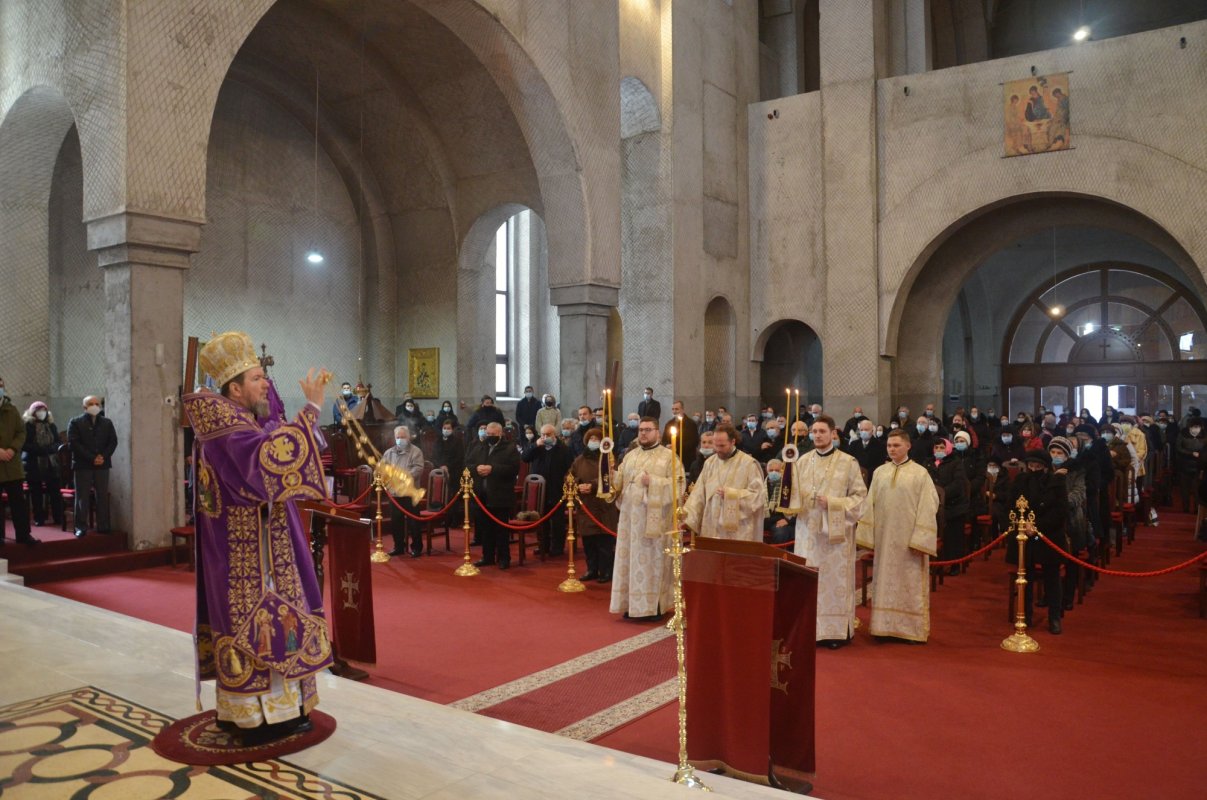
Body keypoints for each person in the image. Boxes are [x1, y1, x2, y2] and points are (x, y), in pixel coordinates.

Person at [182, 331, 333, 745]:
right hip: (249, 556)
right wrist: (313, 408)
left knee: (257, 627)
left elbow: (268, 447)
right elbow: (265, 465)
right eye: (255, 378)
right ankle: (271, 718)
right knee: (265, 627)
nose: (265, 382)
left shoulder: (226, 424)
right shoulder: (228, 428)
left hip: (238, 549)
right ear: (234, 388)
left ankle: (241, 713)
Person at [856, 429, 940, 643]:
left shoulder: (920, 473)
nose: (892, 449)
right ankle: (883, 627)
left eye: (897, 445)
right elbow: (870, 504)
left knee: (909, 582)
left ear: (908, 446)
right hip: (885, 538)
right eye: (889, 446)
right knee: (884, 581)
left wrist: (920, 538)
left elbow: (929, 506)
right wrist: (868, 535)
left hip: (909, 539)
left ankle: (911, 631)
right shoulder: (880, 472)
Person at [789, 415, 866, 647]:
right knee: (809, 580)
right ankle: (809, 630)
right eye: (814, 431)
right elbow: (791, 494)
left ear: (833, 433)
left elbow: (860, 498)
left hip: (834, 538)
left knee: (833, 582)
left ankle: (834, 633)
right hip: (807, 533)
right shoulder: (801, 462)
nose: (817, 435)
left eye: (822, 431)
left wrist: (833, 503)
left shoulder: (848, 462)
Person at [608, 416, 681, 621]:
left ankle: (653, 607)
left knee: (652, 563)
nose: (643, 433)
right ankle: (631, 605)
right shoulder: (630, 456)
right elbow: (618, 484)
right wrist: (609, 471)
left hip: (654, 525)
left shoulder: (669, 457)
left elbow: (678, 486)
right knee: (629, 561)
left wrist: (654, 483)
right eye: (641, 430)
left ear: (657, 432)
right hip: (630, 522)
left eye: (648, 430)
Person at [1009, 450, 1068, 635]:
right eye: (1031, 466)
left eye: (1038, 466)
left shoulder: (1055, 483)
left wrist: (1038, 527)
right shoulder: (1020, 481)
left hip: (1048, 534)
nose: (1034, 469)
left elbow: (1060, 511)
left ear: (1045, 466)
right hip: (1023, 534)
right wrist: (1023, 524)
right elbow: (1011, 506)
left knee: (1052, 577)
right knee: (1025, 575)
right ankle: (1025, 614)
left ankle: (1054, 617)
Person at [682, 423, 766, 542]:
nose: (718, 450)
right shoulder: (710, 463)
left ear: (733, 442)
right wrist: (687, 519)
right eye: (716, 445)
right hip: (711, 528)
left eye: (722, 445)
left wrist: (732, 494)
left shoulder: (748, 464)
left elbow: (758, 496)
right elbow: (698, 495)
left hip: (738, 531)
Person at [469, 421, 520, 569]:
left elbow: (513, 469)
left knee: (501, 529)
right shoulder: (479, 446)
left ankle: (504, 558)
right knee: (485, 529)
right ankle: (488, 556)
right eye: (488, 434)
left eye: (493, 434)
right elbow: (467, 464)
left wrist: (493, 469)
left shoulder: (510, 449)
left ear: (500, 434)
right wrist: (476, 468)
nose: (489, 436)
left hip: (500, 495)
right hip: (481, 494)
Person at [571, 427, 618, 582]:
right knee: (589, 542)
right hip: (586, 506)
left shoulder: (609, 459)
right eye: (590, 439)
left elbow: (610, 477)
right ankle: (592, 569)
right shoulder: (579, 460)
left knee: (604, 542)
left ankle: (606, 571)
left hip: (604, 506)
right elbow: (569, 476)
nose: (593, 442)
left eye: (596, 439)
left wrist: (591, 485)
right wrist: (578, 485)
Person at [67, 394, 118, 537]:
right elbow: (74, 443)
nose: (95, 406)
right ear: (84, 407)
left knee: (101, 495)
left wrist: (103, 456)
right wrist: (92, 458)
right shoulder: (75, 422)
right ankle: (80, 527)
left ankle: (103, 525)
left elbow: (113, 441)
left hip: (102, 464)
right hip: (83, 464)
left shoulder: (107, 422)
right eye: (91, 404)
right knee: (82, 496)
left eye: (97, 403)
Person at [523, 424, 573, 558]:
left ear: (554, 435)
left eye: (548, 435)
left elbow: (570, 467)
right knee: (541, 518)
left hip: (556, 487)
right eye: (543, 435)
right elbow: (525, 457)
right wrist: (534, 445)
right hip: (540, 490)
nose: (545, 437)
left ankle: (557, 547)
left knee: (557, 520)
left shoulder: (563, 449)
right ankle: (543, 545)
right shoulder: (537, 448)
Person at [0, 378, 38, 545]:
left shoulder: (12, 409)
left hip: (12, 463)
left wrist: (12, 449)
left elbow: (21, 432)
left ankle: (24, 535)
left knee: (19, 502)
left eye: (0, 385)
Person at [928, 437, 969, 577]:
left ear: (948, 448)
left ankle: (954, 564)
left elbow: (958, 484)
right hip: (932, 505)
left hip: (953, 505)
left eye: (941, 447)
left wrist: (942, 494)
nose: (939, 450)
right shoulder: (928, 463)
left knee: (953, 534)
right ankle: (934, 563)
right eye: (936, 447)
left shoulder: (956, 463)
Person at [382, 426, 425, 558]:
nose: (400, 440)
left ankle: (417, 547)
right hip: (395, 493)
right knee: (396, 521)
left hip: (410, 493)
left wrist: (403, 477)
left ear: (409, 437)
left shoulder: (416, 451)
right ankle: (398, 546)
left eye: (403, 437)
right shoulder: (389, 453)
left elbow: (418, 469)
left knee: (414, 522)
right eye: (398, 437)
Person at [22, 401, 63, 529]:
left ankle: (58, 517)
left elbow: (58, 442)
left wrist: (51, 449)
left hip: (51, 463)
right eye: (38, 410)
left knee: (55, 490)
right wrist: (40, 450)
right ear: (32, 412)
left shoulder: (51, 425)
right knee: (36, 493)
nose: (41, 412)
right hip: (33, 463)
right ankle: (39, 518)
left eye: (43, 409)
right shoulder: (27, 426)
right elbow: (24, 444)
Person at [845, 418, 886, 486]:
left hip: (872, 480)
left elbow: (880, 465)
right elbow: (849, 461)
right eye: (861, 430)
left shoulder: (880, 445)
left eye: (866, 430)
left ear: (872, 431)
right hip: (855, 479)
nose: (864, 432)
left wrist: (866, 472)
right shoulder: (853, 445)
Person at [662, 400, 698, 467]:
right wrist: (666, 445)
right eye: (673, 409)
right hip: (671, 458)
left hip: (686, 458)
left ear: (682, 410)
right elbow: (664, 440)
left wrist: (676, 446)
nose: (674, 411)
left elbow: (694, 441)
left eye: (677, 409)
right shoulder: (669, 424)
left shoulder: (691, 424)